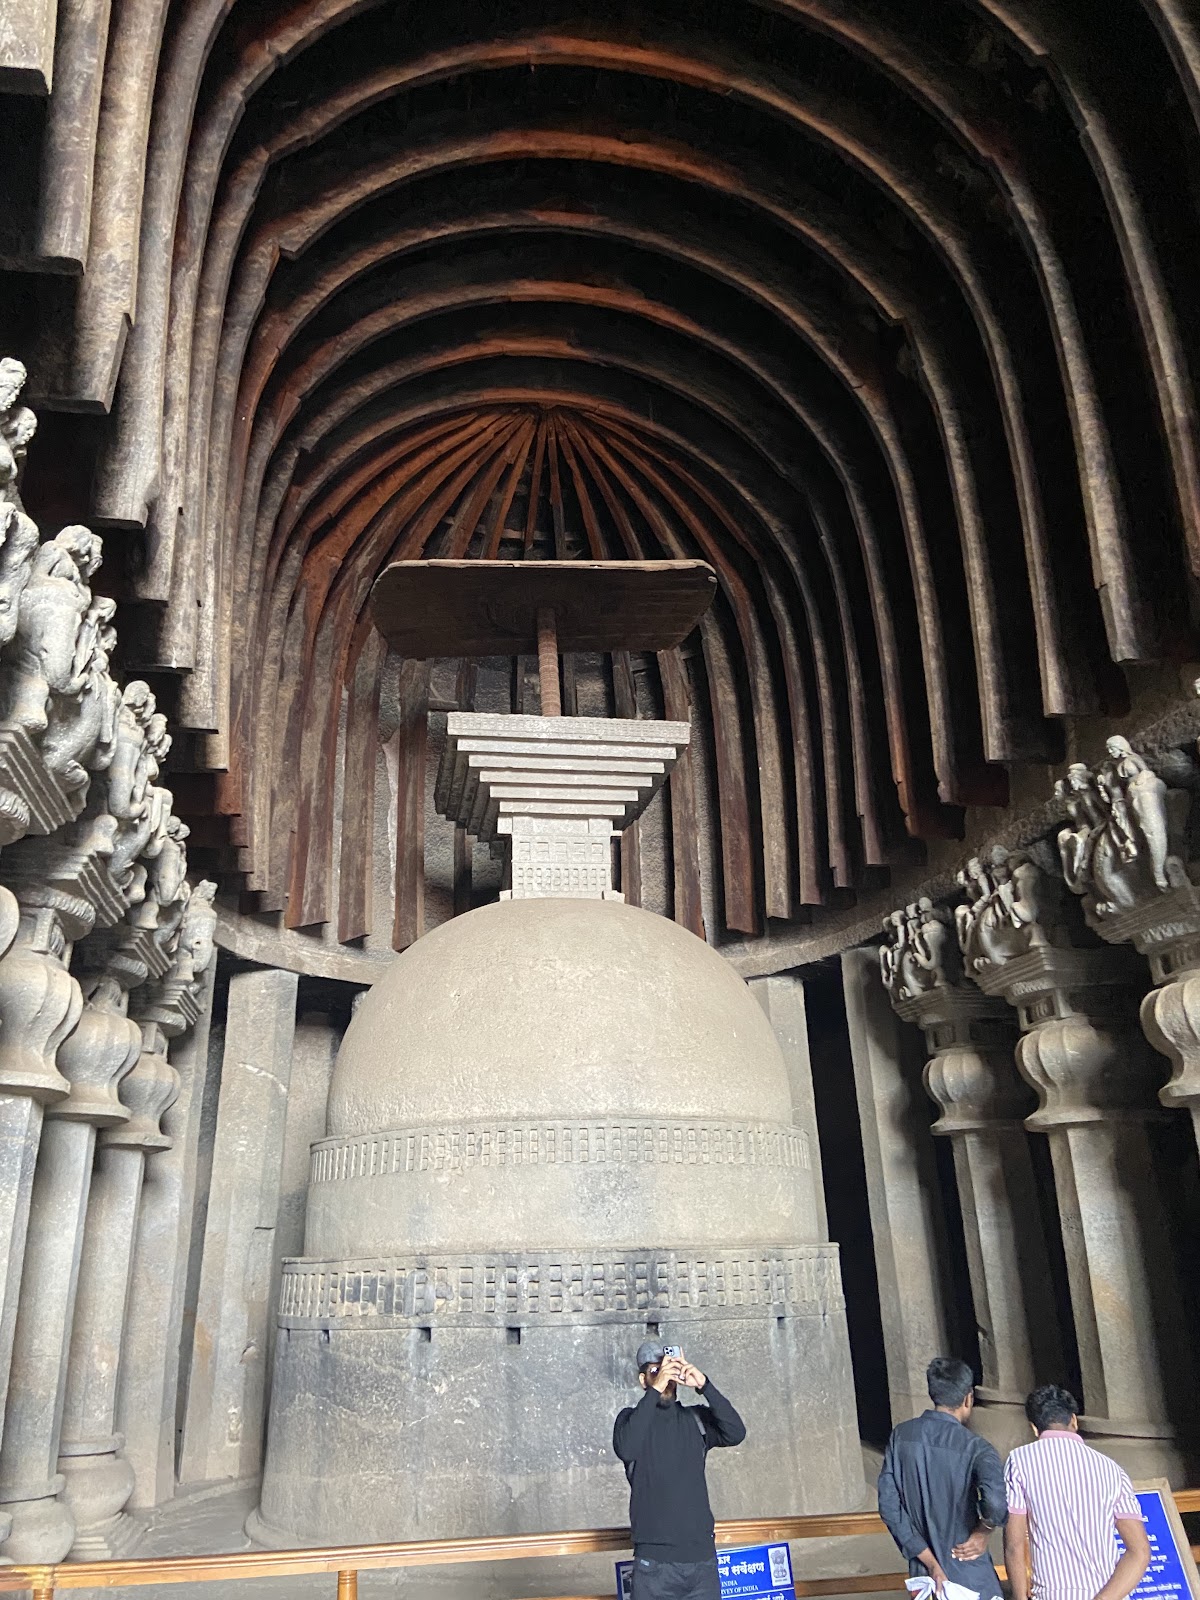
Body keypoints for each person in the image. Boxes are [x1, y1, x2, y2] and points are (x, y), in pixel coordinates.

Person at [612, 1341, 746, 1600]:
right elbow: (627, 1448)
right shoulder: (629, 1420)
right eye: (655, 1372)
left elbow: (736, 1432)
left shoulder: (695, 1420)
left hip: (702, 1563)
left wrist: (704, 1385)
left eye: (669, 1371)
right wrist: (655, 1390)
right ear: (643, 1380)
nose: (665, 1378)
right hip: (654, 1566)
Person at [1004, 1386, 1150, 1600]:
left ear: (1034, 1428)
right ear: (1074, 1420)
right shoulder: (1111, 1469)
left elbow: (1014, 1545)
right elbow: (1139, 1552)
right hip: (1107, 1591)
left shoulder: (1019, 1461)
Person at [877, 1356, 1006, 1598]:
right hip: (969, 1575)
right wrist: (984, 1530)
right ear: (968, 1398)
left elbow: (889, 1507)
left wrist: (930, 1561)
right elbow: (996, 1503)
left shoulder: (901, 1437)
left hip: (924, 1578)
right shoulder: (977, 1448)